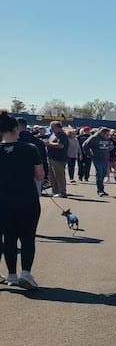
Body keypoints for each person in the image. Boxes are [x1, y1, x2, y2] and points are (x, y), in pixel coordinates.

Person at [0, 111, 45, 288]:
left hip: (3, 201)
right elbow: (40, 176)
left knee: (9, 238)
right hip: (27, 198)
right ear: (15, 129)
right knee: (27, 237)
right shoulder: (29, 148)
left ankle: (11, 275)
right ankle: (25, 273)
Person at [82, 127, 114, 196]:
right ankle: (100, 190)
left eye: (108, 134)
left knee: (103, 173)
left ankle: (101, 188)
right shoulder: (94, 137)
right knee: (99, 173)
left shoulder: (107, 138)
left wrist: (110, 147)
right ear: (101, 132)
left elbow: (111, 146)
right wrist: (89, 154)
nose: (107, 135)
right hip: (97, 158)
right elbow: (85, 145)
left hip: (105, 158)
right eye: (106, 134)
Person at [17, 118, 47, 191]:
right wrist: (45, 176)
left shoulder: (13, 141)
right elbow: (44, 160)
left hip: (16, 176)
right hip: (36, 175)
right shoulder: (38, 141)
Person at [45, 121, 69, 197]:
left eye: (52, 127)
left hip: (58, 158)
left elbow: (61, 145)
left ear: (57, 127)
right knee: (51, 176)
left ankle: (62, 192)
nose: (51, 128)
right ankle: (55, 191)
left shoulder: (62, 135)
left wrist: (49, 144)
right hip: (51, 157)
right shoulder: (54, 134)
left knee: (59, 175)